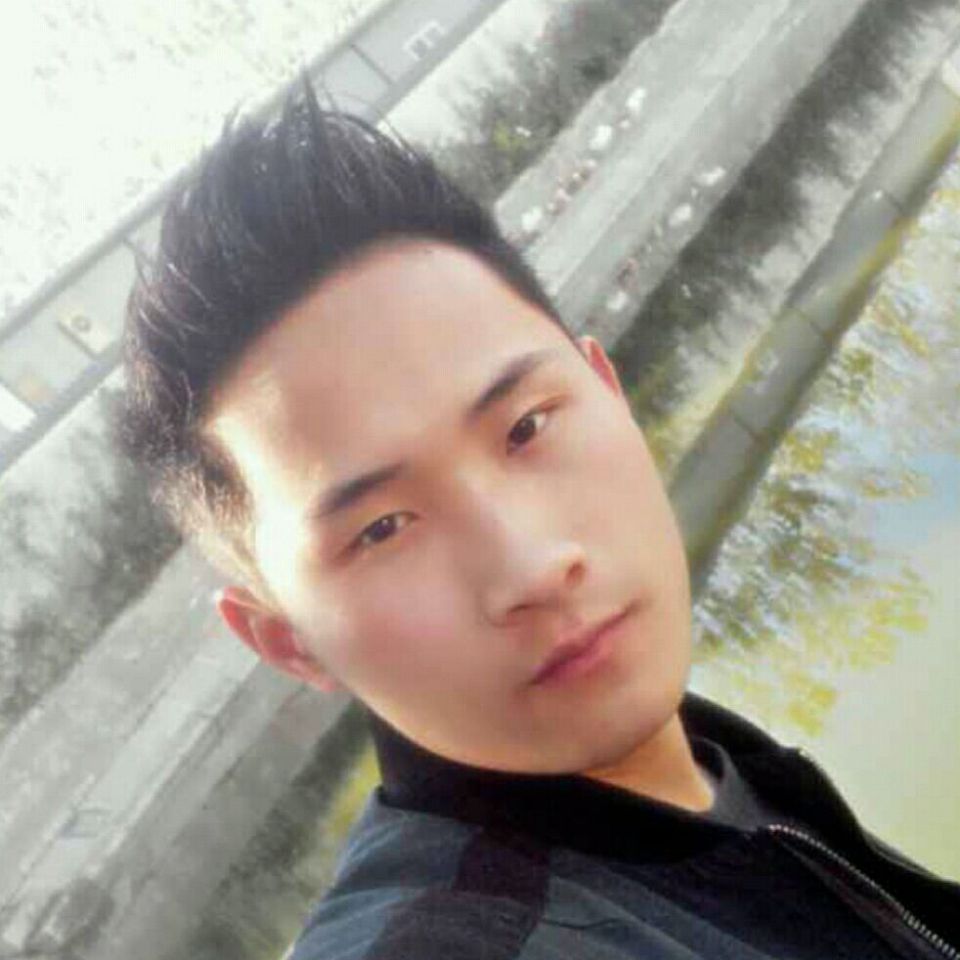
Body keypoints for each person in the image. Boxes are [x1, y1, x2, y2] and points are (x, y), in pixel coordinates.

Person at [119, 79, 960, 959]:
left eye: (526, 427)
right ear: (289, 643)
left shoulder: (712, 768)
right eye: (381, 529)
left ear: (607, 389)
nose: (531, 567)